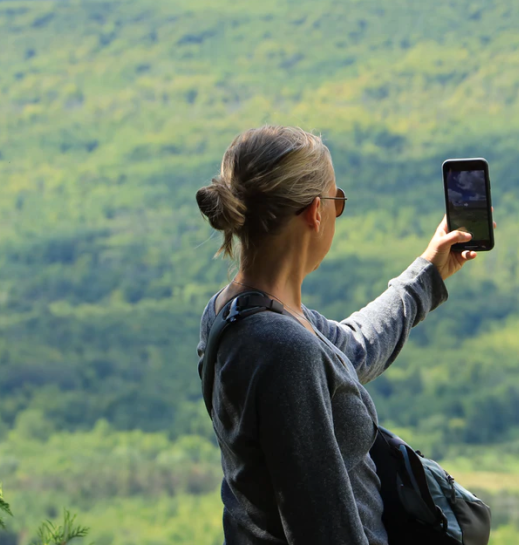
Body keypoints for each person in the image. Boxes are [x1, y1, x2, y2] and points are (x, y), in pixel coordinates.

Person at [194, 125, 493, 544]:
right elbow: (324, 529)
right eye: (339, 201)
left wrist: (428, 272)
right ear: (317, 212)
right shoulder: (282, 348)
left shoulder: (235, 311)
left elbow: (351, 350)